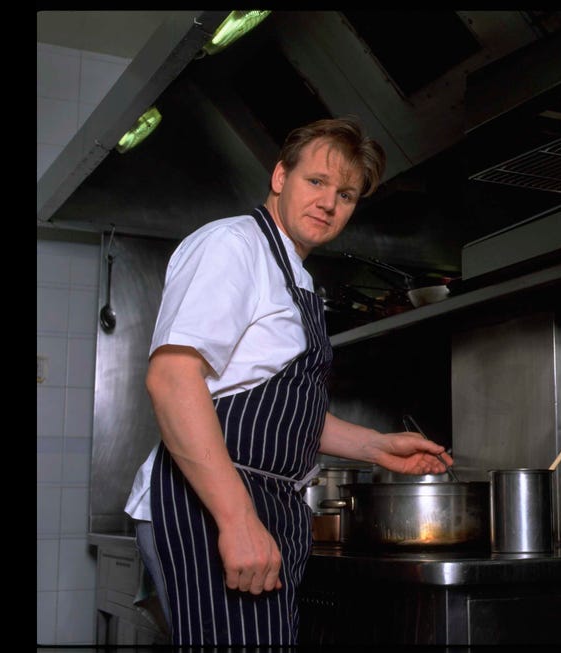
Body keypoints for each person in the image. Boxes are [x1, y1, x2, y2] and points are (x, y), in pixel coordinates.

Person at [122, 116, 454, 646]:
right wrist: (237, 520)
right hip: (212, 505)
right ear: (280, 176)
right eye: (316, 182)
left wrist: (377, 446)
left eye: (346, 195)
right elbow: (172, 379)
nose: (329, 202)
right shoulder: (233, 246)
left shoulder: (297, 278)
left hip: (268, 502)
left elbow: (280, 410)